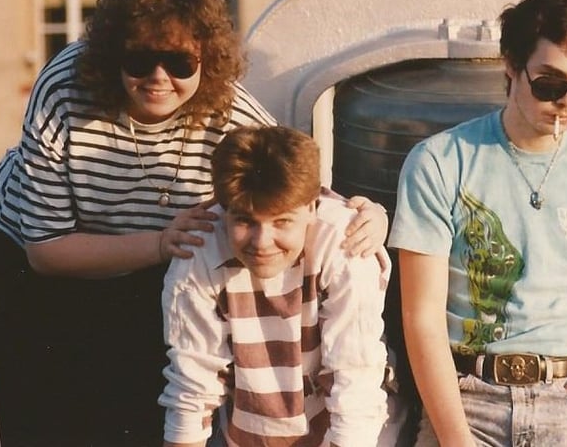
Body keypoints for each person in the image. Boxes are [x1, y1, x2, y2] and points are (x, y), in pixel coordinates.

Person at [0, 0, 389, 447]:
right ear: (112, 55)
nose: (158, 77)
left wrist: (368, 217)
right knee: (44, 420)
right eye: (139, 59)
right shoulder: (64, 89)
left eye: (178, 62)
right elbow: (45, 250)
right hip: (36, 254)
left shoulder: (230, 112)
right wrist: (158, 243)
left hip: (158, 253)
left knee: (144, 411)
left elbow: (292, 187)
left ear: (205, 61)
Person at [388, 0, 567, 447]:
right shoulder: (439, 161)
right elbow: (421, 315)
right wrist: (456, 438)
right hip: (466, 401)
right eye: (549, 83)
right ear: (510, 65)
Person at [159, 124, 400, 447]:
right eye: (244, 220)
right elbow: (192, 388)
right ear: (224, 210)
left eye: (282, 221)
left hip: (349, 430)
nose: (262, 242)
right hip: (248, 430)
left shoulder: (347, 243)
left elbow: (354, 383)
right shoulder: (199, 249)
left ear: (312, 207)